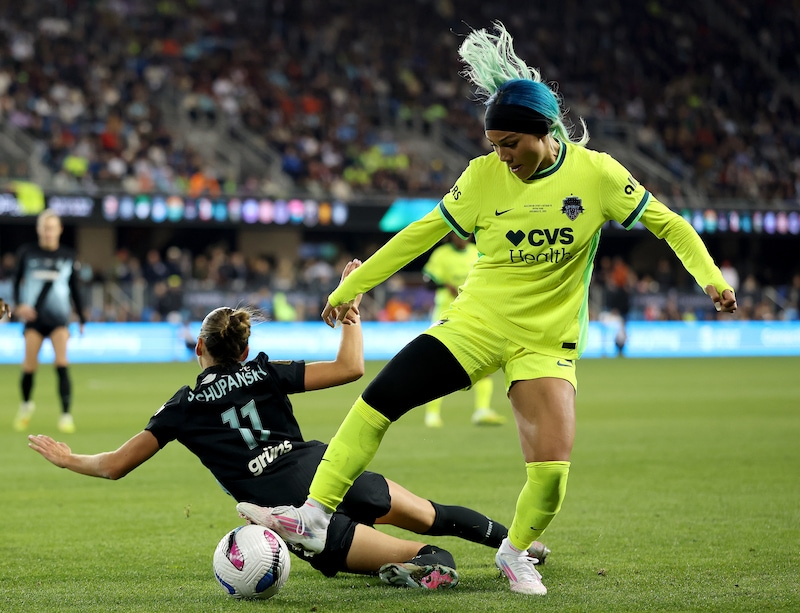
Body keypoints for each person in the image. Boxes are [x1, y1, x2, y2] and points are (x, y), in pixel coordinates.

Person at [235, 22, 738, 597]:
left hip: (546, 342)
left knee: (551, 477)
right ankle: (313, 515)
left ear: (545, 132)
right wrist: (351, 287)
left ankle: (515, 551)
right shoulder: (482, 177)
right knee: (379, 399)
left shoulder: (596, 174)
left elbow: (668, 224)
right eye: (494, 144)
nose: (502, 156)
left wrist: (711, 279)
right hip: (476, 324)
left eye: (511, 144)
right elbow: (420, 234)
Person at [29, 261, 548, 589]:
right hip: (328, 471)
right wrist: (352, 313)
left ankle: (400, 564)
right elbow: (350, 368)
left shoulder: (184, 406)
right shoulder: (263, 371)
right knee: (435, 516)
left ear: (199, 347)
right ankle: (521, 546)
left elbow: (116, 465)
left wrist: (69, 459)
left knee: (433, 557)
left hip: (293, 509)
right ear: (244, 349)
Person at [12, 210, 86, 433]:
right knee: (29, 366)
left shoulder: (68, 255)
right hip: (34, 318)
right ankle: (26, 405)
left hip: (58, 319)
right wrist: (19, 306)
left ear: (59, 230)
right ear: (39, 229)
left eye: (52, 228)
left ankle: (65, 415)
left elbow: (75, 288)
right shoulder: (27, 253)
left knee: (61, 363)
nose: (48, 232)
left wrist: (82, 318)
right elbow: (16, 282)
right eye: (45, 228)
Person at [421, 232, 505, 427]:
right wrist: (445, 285)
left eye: (467, 235)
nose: (463, 238)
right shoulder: (441, 254)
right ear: (451, 236)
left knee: (485, 362)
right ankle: (432, 414)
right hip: (446, 315)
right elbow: (427, 282)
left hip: (474, 315)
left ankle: (482, 411)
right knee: (438, 366)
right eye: (459, 235)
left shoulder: (477, 252)